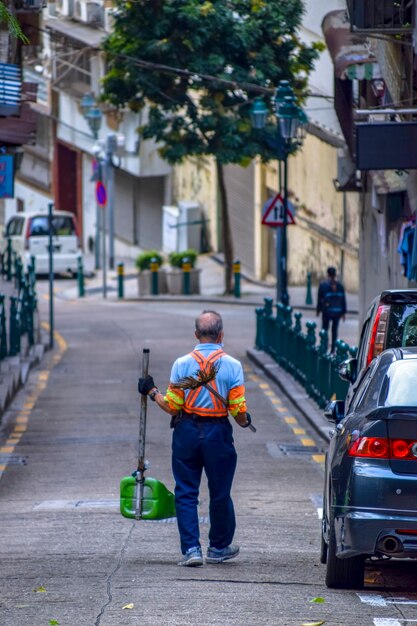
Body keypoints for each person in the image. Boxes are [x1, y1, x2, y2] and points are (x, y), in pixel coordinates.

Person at [138, 310, 252, 567]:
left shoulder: (181, 364)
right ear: (221, 334)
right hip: (218, 434)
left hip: (186, 432)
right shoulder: (233, 366)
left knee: (186, 492)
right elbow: (238, 412)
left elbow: (171, 406)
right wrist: (246, 421)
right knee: (220, 492)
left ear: (196, 335)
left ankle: (191, 550)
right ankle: (219, 547)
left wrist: (151, 390)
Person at [316, 267, 347, 354]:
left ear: (327, 275)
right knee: (334, 330)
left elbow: (319, 299)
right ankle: (333, 348)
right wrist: (343, 312)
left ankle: (325, 346)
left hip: (327, 311)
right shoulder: (340, 286)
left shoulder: (323, 285)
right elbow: (343, 300)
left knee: (325, 329)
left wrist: (318, 310)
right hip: (337, 312)